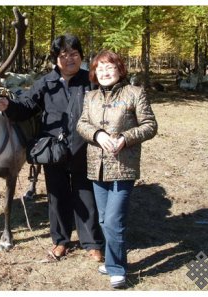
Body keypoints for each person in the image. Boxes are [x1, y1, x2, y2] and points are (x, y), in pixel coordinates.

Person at [0, 34, 104, 261]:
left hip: (86, 148)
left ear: (81, 57)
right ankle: (61, 241)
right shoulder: (46, 82)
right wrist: (9, 106)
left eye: (74, 54)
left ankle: (92, 242)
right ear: (55, 59)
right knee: (56, 196)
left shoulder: (91, 80)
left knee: (86, 195)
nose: (69, 59)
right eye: (63, 55)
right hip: (54, 150)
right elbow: (26, 105)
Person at [77, 50, 158, 288]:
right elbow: (82, 123)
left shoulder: (135, 93)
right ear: (94, 73)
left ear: (119, 70)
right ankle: (113, 260)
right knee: (103, 219)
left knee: (114, 219)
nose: (104, 72)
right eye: (99, 69)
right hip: (96, 166)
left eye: (109, 67)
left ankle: (117, 268)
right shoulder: (90, 97)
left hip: (123, 166)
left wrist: (125, 138)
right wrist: (97, 134)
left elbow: (150, 125)